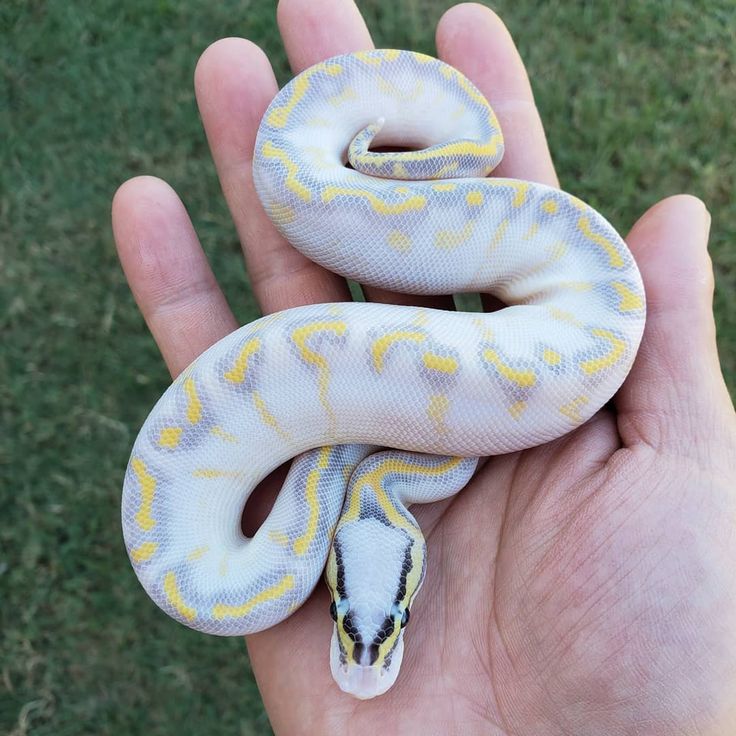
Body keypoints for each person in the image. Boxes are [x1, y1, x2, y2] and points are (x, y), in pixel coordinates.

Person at [111, 1, 736, 732]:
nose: (364, 652)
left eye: (348, 616)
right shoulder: (427, 465)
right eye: (388, 615)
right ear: (404, 584)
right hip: (575, 291)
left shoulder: (247, 573)